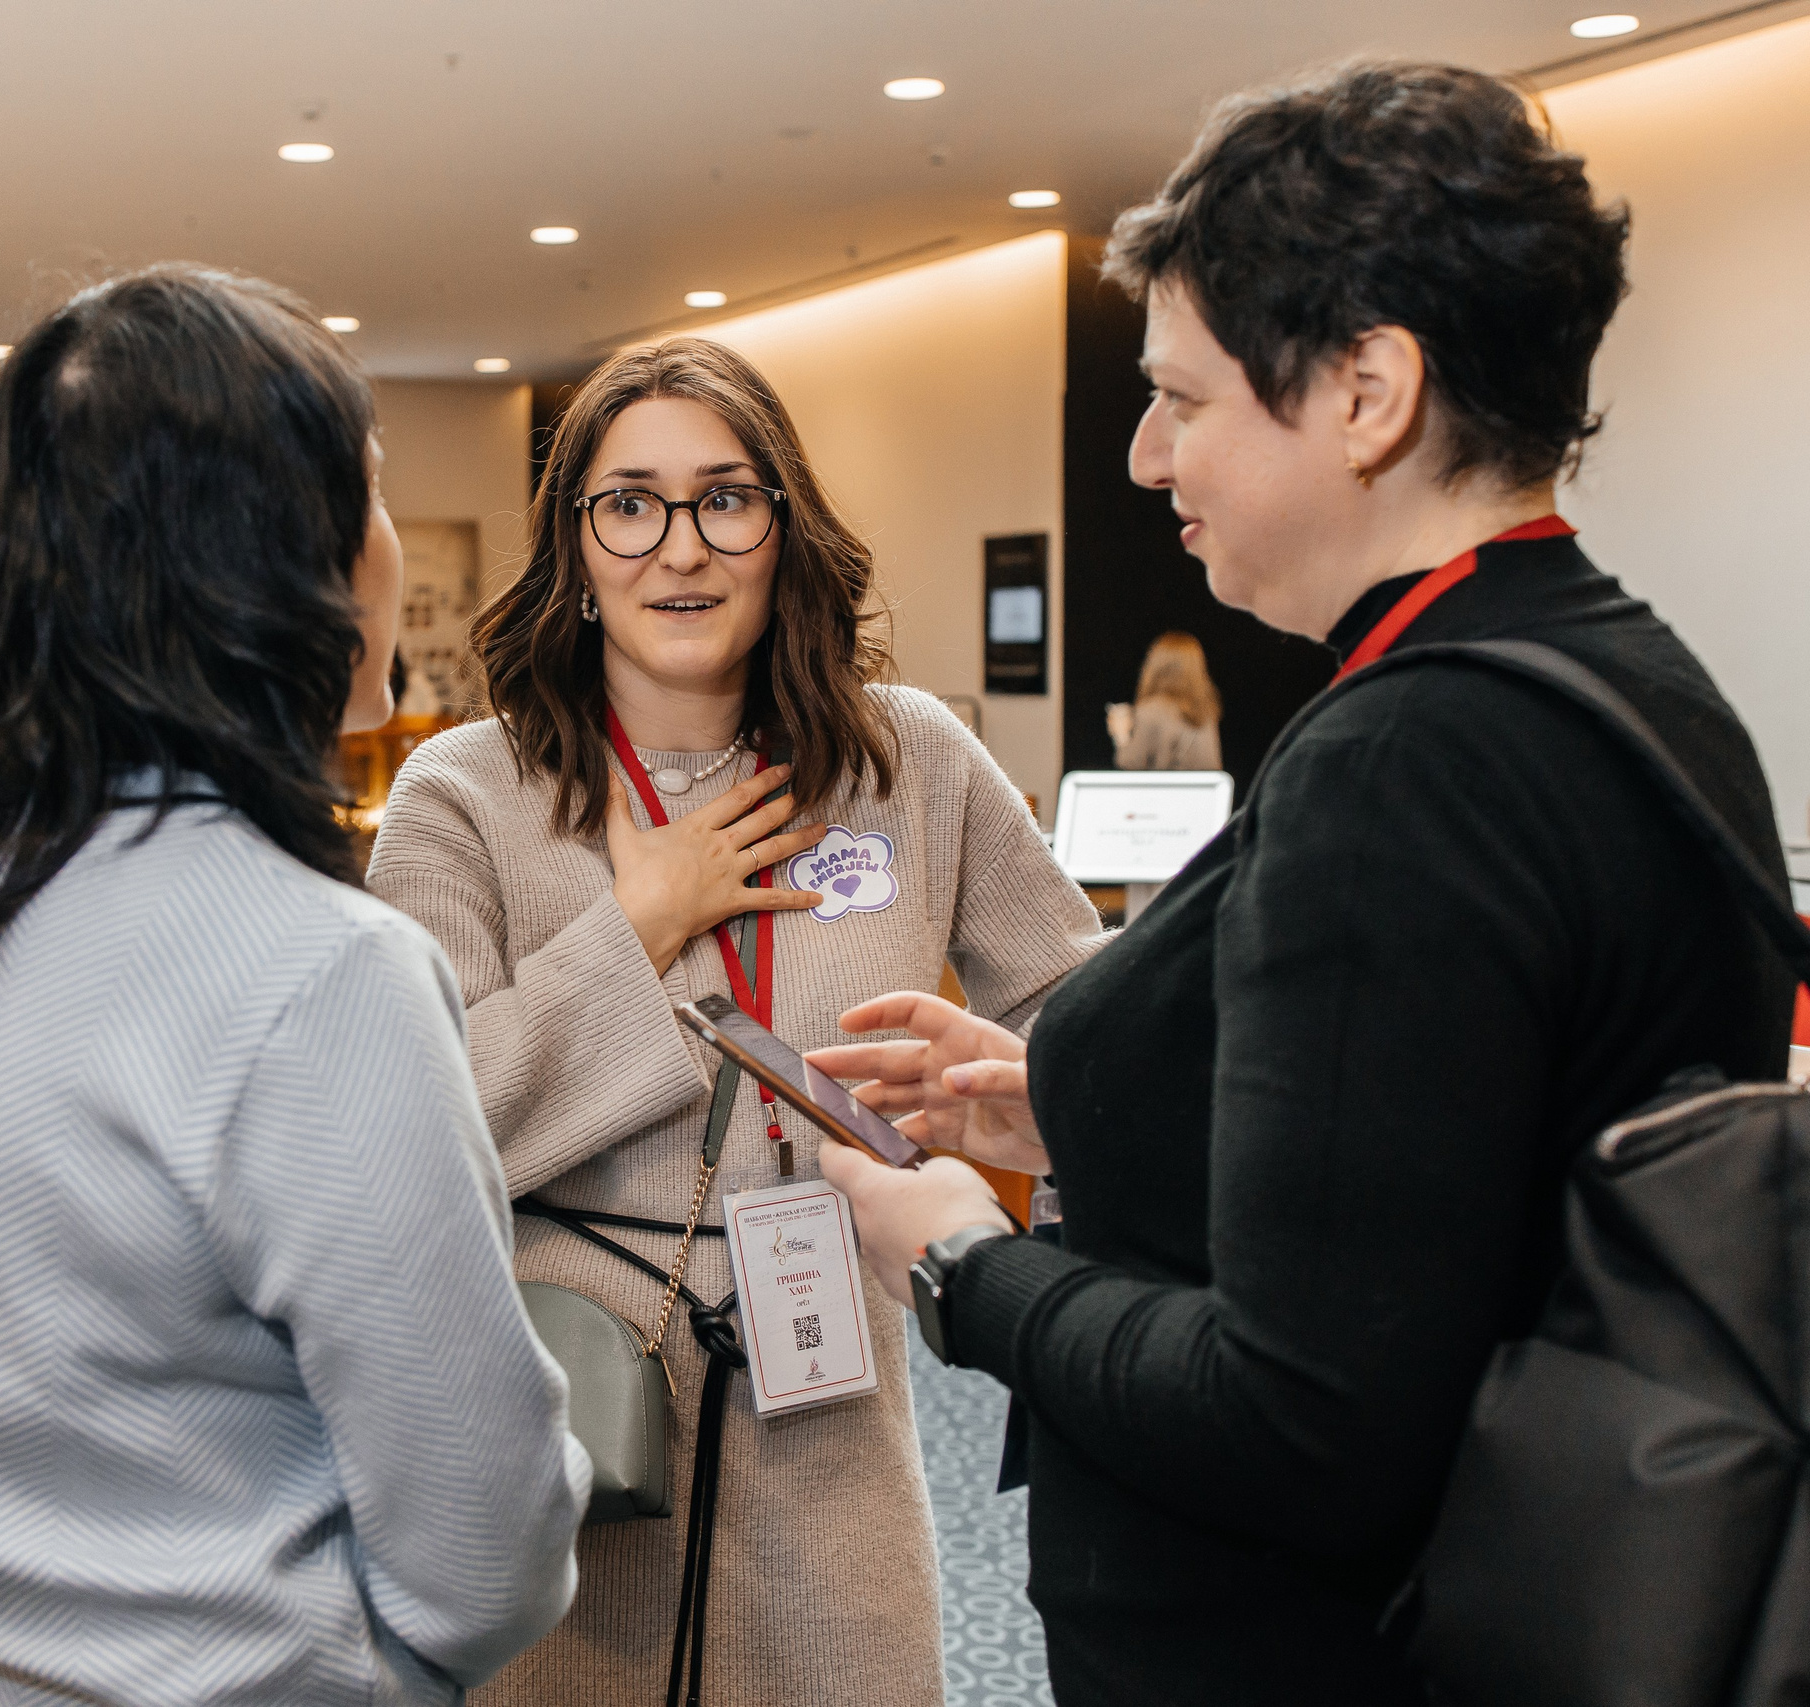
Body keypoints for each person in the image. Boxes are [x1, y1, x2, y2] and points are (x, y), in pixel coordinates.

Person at [809, 62, 1796, 1707]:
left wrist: (957, 1261)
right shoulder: (1630, 679)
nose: (1142, 456)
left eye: (1182, 400)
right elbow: (1459, 1165)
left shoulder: (1407, 764)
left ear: (1368, 391)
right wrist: (1082, 1110)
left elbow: (1298, 1416)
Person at [0, 266, 588, 1707]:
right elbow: (487, 1554)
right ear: (286, 562)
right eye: (371, 490)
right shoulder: (321, 974)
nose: (393, 542)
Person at [366, 337, 1105, 1705]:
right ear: (575, 547)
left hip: (835, 1431)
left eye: (727, 497)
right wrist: (633, 930)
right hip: (581, 1437)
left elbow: (1090, 1017)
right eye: (630, 503)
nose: (680, 547)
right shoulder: (463, 793)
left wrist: (1024, 1085)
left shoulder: (908, 758)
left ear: (785, 528)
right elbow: (414, 1122)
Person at [1105, 630, 1221, 769]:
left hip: (1163, 790)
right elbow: (1213, 766)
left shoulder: (1150, 710)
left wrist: (1121, 734)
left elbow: (1130, 763)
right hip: (1195, 791)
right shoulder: (1204, 714)